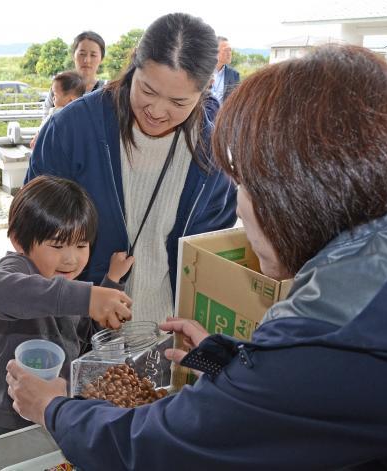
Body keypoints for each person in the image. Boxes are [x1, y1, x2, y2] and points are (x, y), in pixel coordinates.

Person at [7, 44, 387, 469]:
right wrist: (236, 362)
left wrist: (54, 408)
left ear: (296, 195)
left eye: (245, 183)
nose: (237, 204)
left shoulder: (334, 333)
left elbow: (167, 449)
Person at [27, 13, 237, 324]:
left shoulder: (212, 153)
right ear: (134, 62)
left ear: (206, 87)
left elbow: (211, 253)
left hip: (172, 335)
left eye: (179, 102)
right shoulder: (72, 129)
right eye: (148, 91)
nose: (157, 111)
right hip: (83, 334)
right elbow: (32, 232)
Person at [0, 175, 134, 437]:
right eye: (57, 245)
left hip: (57, 407)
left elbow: (85, 336)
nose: (71, 259)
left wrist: (111, 283)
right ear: (19, 240)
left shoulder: (72, 284)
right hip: (14, 415)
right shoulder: (18, 269)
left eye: (81, 245)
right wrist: (87, 297)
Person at [42, 31, 106, 116]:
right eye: (82, 54)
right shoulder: (58, 87)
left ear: (101, 58)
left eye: (93, 55)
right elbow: (44, 124)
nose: (87, 60)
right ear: (73, 55)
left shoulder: (106, 91)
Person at [210, 36, 240, 104]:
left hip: (223, 114)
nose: (229, 53)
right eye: (226, 50)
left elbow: (235, 100)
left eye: (230, 50)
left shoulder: (234, 75)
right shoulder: (202, 71)